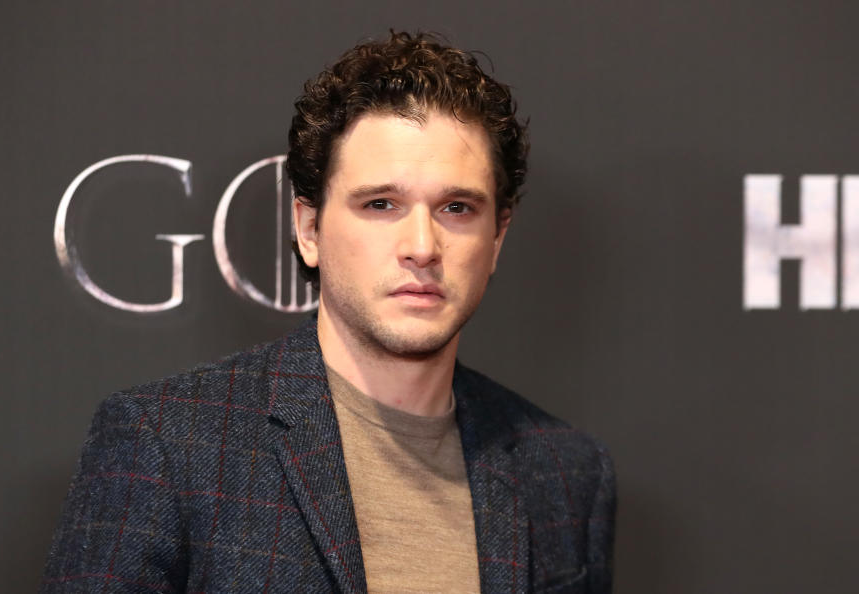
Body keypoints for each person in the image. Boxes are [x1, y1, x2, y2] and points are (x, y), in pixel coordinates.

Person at [41, 31, 615, 593]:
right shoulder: (167, 444)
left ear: (497, 239)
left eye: (457, 207)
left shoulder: (566, 473)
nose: (422, 245)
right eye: (381, 204)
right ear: (309, 228)